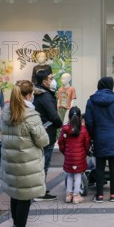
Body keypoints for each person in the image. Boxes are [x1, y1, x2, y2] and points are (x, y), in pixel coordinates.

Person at [0, 80, 48, 227]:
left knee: (15, 195)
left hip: (11, 161)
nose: (33, 96)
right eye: (32, 94)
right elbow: (43, 141)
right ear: (28, 95)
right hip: (26, 163)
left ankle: (16, 226)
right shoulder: (30, 115)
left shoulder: (7, 110)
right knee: (24, 198)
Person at [85, 77, 114, 203]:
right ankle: (113, 195)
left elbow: (89, 121)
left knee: (99, 167)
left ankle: (99, 195)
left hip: (99, 136)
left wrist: (93, 134)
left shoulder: (91, 101)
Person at [33, 70, 63, 201]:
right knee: (44, 162)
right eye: (51, 78)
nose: (53, 80)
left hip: (43, 131)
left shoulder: (41, 93)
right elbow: (53, 115)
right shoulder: (45, 96)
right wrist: (60, 124)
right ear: (44, 81)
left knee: (42, 161)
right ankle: (40, 193)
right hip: (46, 133)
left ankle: (40, 188)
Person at [58, 106, 90, 204]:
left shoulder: (64, 129)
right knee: (78, 176)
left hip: (69, 156)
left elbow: (61, 143)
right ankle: (76, 195)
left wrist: (65, 152)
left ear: (69, 116)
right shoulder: (83, 130)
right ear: (80, 117)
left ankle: (68, 195)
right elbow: (87, 144)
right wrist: (84, 153)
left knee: (70, 175)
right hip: (79, 157)